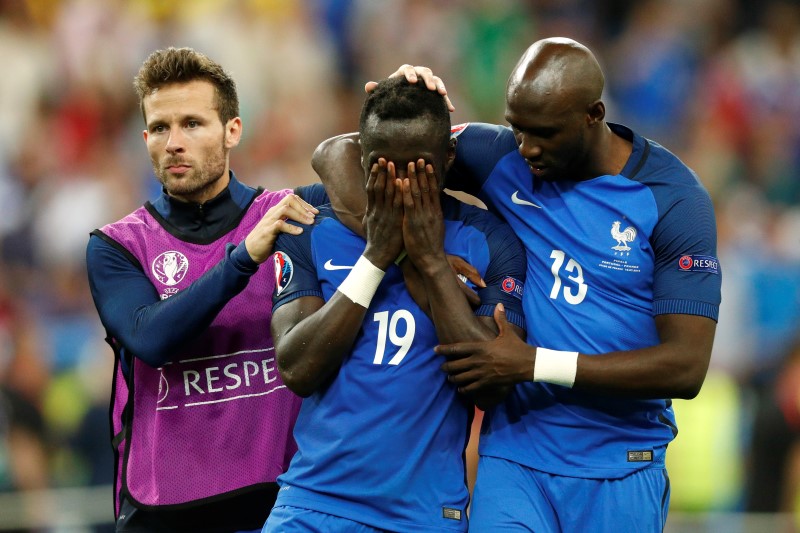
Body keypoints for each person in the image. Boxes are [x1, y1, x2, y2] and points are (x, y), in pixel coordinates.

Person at [312, 37, 722, 532]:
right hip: (514, 453)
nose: (526, 147)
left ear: (594, 114)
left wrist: (534, 364)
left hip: (620, 460)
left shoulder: (672, 200)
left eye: (544, 133)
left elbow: (686, 367)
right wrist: (406, 106)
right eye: (516, 127)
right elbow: (339, 153)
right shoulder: (502, 155)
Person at [262, 76, 527, 533]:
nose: (401, 184)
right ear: (361, 159)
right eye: (384, 169)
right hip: (312, 506)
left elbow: (490, 386)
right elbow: (297, 369)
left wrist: (428, 263)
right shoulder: (311, 225)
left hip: (422, 515)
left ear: (448, 160)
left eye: (419, 169)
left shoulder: (490, 242)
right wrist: (377, 257)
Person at [86, 47, 324, 533]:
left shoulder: (290, 216)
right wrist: (241, 259)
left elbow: (379, 180)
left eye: (192, 123)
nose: (174, 142)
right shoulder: (116, 246)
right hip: (164, 509)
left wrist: (405, 91)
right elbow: (151, 338)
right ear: (145, 137)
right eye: (160, 127)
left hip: (279, 501)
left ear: (232, 130)